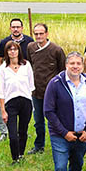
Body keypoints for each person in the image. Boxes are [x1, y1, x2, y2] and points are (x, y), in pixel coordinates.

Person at [27, 23, 66, 155]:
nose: (38, 36)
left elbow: (63, 71)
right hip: (36, 91)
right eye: (36, 34)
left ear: (47, 34)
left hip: (52, 93)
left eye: (41, 33)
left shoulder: (56, 50)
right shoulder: (30, 47)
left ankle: (60, 145)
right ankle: (39, 145)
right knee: (38, 121)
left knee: (56, 120)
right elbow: (29, 66)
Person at [0, 41, 35, 164]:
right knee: (13, 134)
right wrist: (3, 110)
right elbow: (1, 91)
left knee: (23, 131)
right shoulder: (3, 68)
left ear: (19, 51)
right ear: (7, 52)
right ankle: (15, 158)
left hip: (25, 102)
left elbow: (31, 86)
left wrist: (31, 104)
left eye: (15, 49)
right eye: (10, 49)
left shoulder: (26, 65)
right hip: (11, 103)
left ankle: (21, 154)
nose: (13, 52)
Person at [0, 18, 34, 141]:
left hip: (23, 78)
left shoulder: (29, 41)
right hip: (9, 80)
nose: (16, 29)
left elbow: (31, 61)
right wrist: (3, 77)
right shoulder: (4, 42)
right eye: (13, 27)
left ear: (22, 28)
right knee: (3, 106)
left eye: (18, 27)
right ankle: (4, 132)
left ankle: (23, 132)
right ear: (10, 28)